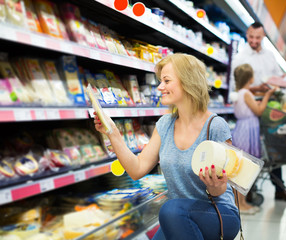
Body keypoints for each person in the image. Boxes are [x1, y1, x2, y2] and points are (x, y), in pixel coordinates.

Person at [94, 53, 240, 240]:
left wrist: (216, 185)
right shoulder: (165, 124)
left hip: (218, 214)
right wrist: (112, 132)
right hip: (178, 216)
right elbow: (137, 169)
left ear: (188, 81)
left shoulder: (216, 126)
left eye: (166, 81)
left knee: (170, 209)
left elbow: (223, 189)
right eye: (160, 81)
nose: (160, 87)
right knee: (171, 212)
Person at [231, 21, 286, 202]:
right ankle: (249, 190)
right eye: (251, 37)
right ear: (246, 35)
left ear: (263, 37)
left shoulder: (270, 56)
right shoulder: (240, 57)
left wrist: (280, 81)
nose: (253, 40)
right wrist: (257, 88)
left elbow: (275, 76)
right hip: (251, 105)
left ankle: (279, 189)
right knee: (251, 151)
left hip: (269, 106)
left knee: (274, 145)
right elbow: (237, 87)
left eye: (257, 37)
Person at [231, 64, 276, 214]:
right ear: (250, 78)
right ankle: (240, 205)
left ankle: (241, 203)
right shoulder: (246, 93)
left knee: (241, 168)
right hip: (246, 132)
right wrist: (267, 96)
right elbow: (258, 111)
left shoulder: (240, 93)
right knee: (243, 169)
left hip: (242, 129)